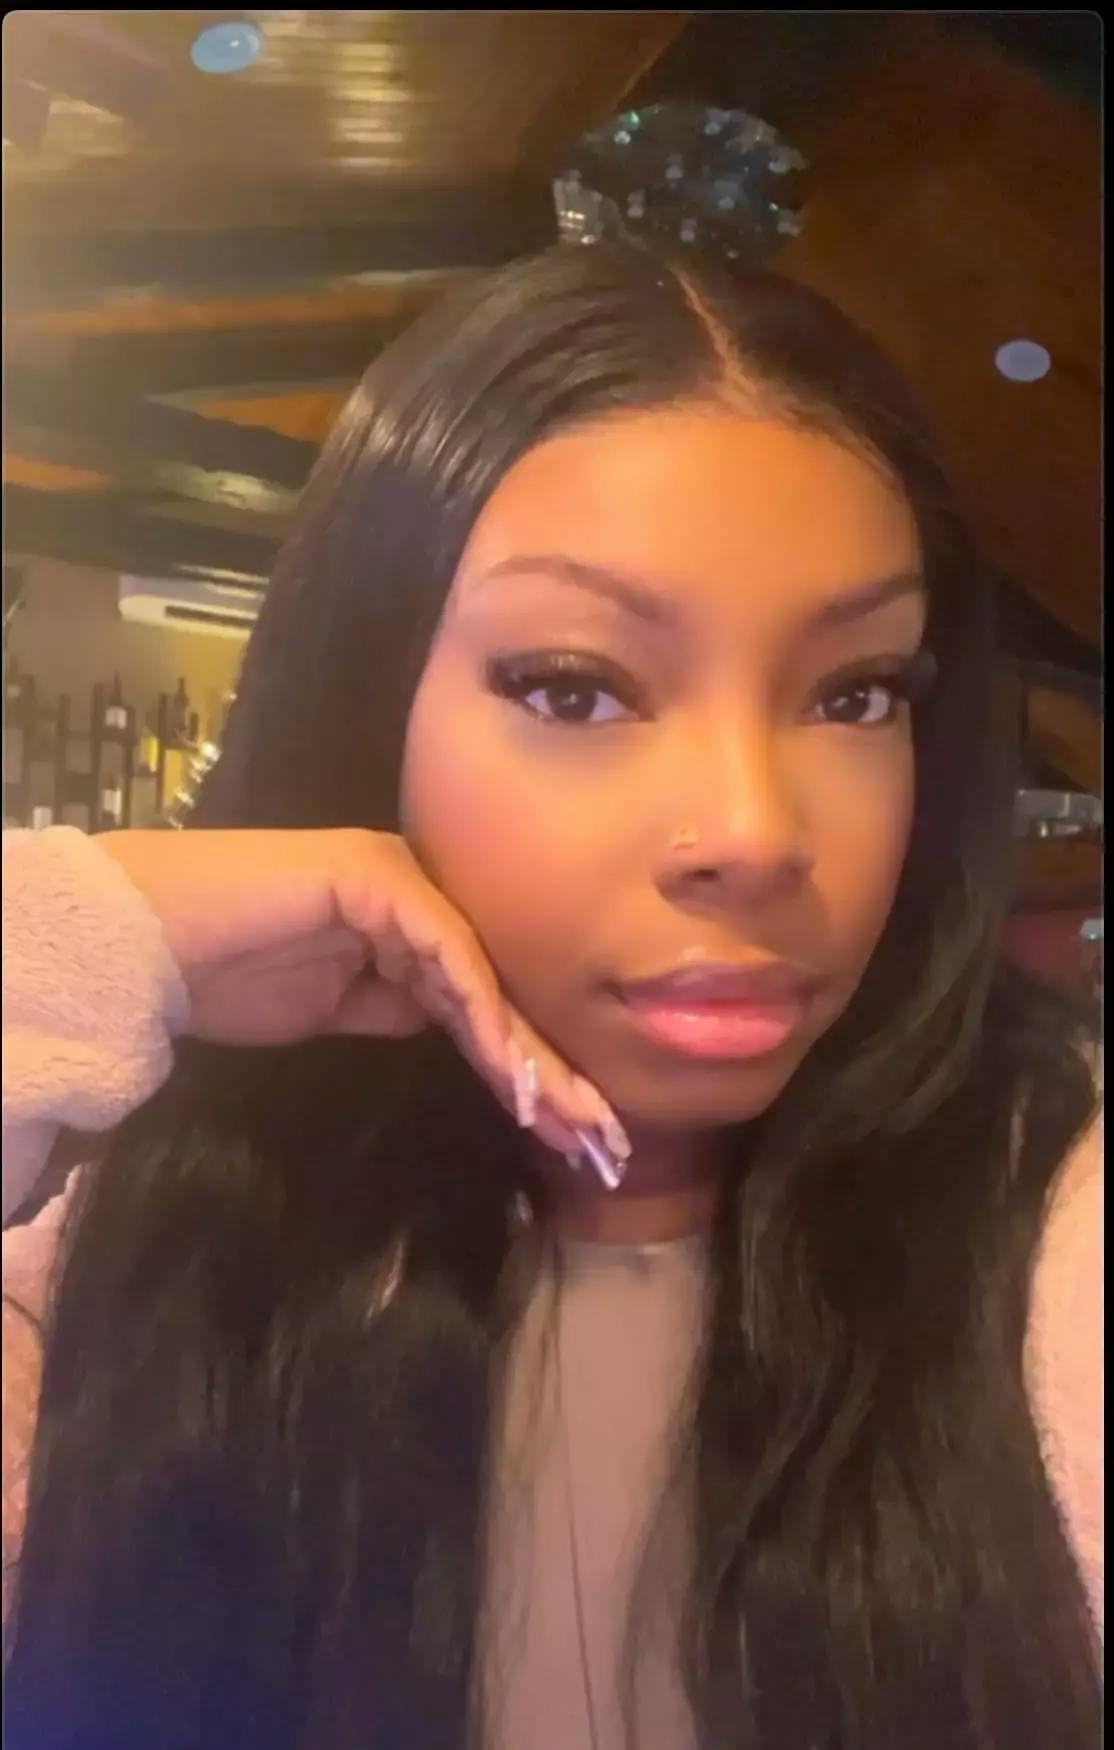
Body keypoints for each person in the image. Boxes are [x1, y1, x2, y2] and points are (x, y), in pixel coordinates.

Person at [1, 242, 1101, 1750]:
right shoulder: (144, 1265)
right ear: (365, 704)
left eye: (854, 694)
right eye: (577, 688)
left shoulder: (1053, 1246)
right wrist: (93, 929)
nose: (754, 833)